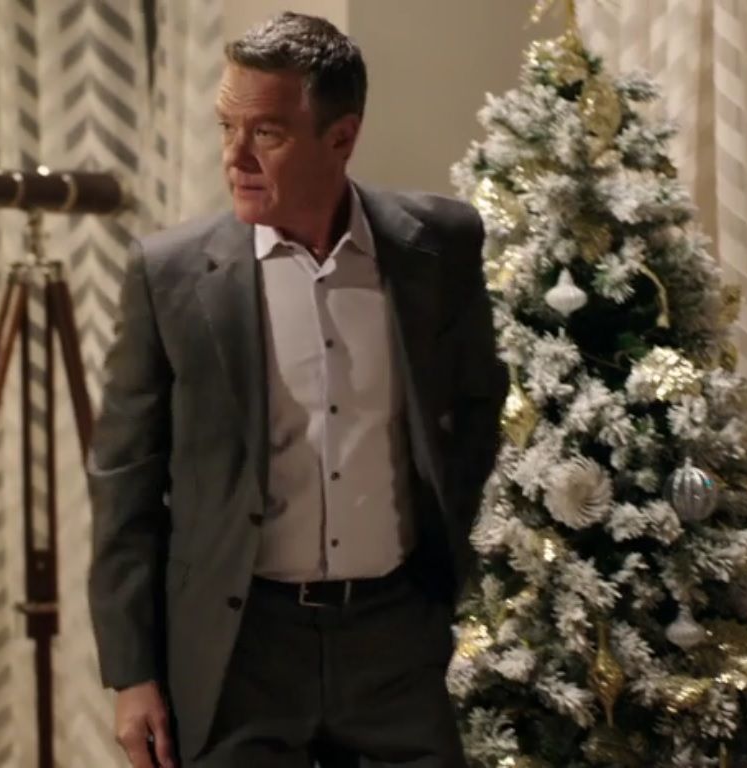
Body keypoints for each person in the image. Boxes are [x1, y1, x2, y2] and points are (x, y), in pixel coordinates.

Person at [86, 12, 509, 767]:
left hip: (396, 644)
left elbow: (479, 412)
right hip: (240, 648)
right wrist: (132, 674)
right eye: (227, 127)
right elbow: (126, 484)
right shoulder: (169, 275)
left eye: (267, 134)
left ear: (342, 137)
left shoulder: (438, 246)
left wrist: (449, 588)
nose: (236, 156)